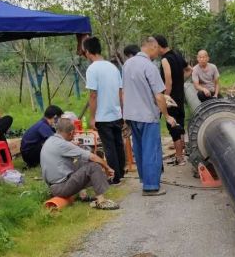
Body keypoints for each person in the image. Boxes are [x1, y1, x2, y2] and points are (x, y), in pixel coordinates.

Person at [122, 36, 177, 197]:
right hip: (147, 115)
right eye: (157, 49)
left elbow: (124, 91)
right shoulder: (149, 66)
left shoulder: (127, 64)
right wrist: (167, 115)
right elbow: (159, 96)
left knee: (139, 149)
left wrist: (125, 116)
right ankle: (151, 186)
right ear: (152, 47)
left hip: (132, 115)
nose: (158, 53)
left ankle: (145, 180)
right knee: (151, 149)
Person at [40, 117, 119, 210]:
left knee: (82, 161)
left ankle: (83, 195)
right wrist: (107, 168)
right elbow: (93, 157)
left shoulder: (50, 140)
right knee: (93, 166)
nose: (74, 137)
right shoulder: (63, 144)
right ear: (71, 133)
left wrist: (72, 146)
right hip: (61, 188)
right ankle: (101, 201)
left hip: (53, 187)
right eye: (74, 134)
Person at [83, 36, 126, 184]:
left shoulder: (92, 69)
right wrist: (122, 111)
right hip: (116, 113)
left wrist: (92, 117)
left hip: (103, 116)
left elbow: (93, 95)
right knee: (118, 144)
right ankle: (121, 172)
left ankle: (115, 177)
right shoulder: (112, 67)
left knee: (109, 147)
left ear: (88, 51)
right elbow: (120, 92)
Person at [154, 34, 192, 165]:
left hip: (171, 98)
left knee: (173, 127)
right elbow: (189, 70)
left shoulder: (165, 60)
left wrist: (166, 97)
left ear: (159, 46)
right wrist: (180, 82)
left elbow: (168, 81)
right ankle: (181, 155)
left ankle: (179, 158)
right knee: (179, 124)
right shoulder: (177, 55)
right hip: (180, 96)